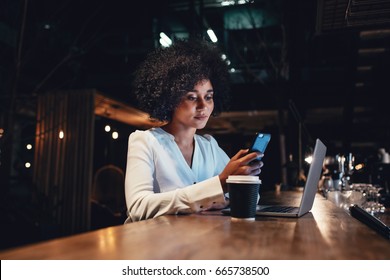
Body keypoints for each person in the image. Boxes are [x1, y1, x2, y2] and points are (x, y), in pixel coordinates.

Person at [124, 38, 263, 222]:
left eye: (209, 97)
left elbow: (253, 198)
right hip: (153, 245)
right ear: (170, 98)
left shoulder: (209, 146)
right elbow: (138, 208)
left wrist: (223, 195)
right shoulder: (144, 142)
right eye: (191, 97)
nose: (202, 106)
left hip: (198, 242)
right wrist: (219, 185)